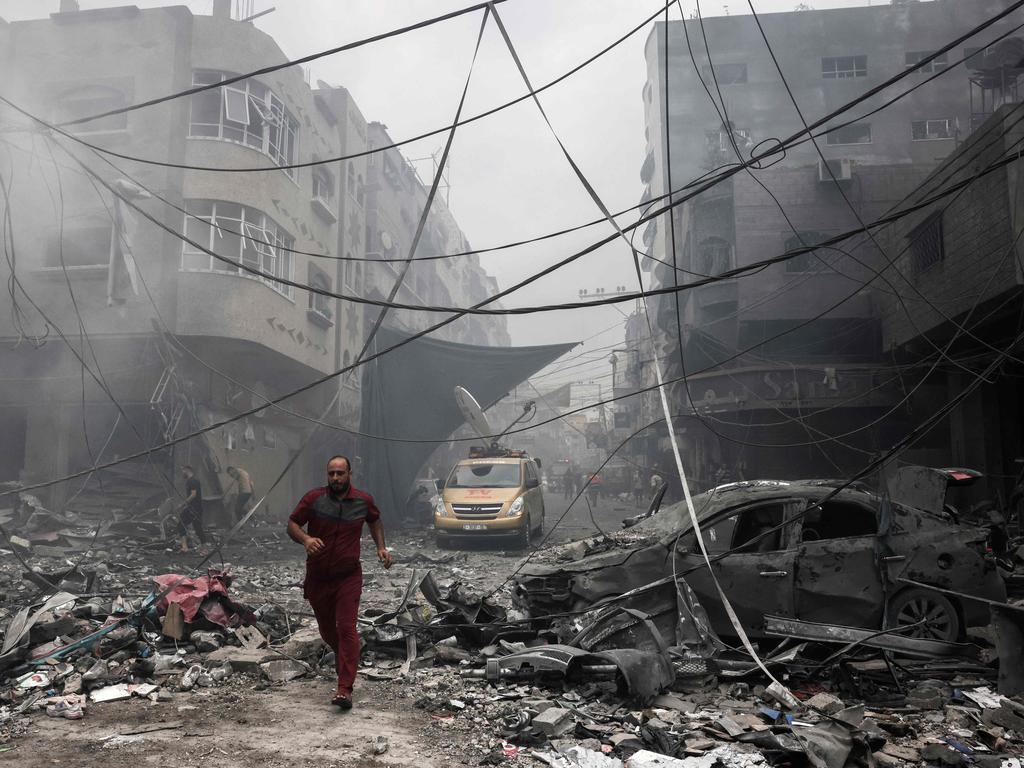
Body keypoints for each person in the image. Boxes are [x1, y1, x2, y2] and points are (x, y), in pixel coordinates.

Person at [287, 455, 393, 710]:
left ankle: (345, 688)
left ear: (350, 474)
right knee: (328, 631)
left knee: (346, 628)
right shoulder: (314, 499)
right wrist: (306, 539)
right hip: (318, 578)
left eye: (340, 473)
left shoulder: (362, 501)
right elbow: (292, 524)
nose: (335, 478)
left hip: (348, 576)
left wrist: (381, 548)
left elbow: (375, 520)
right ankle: (348, 657)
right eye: (331, 473)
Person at [177, 466, 209, 554]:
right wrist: (185, 506)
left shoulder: (192, 481)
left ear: (187, 470)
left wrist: (182, 505)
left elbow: (193, 495)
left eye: (183, 470)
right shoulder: (193, 481)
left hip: (193, 509)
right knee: (198, 528)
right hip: (196, 508)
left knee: (181, 525)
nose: (182, 473)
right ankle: (205, 549)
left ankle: (184, 547)